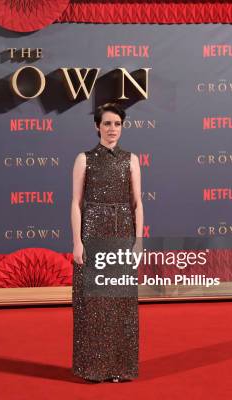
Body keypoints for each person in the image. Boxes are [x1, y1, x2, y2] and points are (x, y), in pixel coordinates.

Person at [70, 102, 143, 382]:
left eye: (117, 124)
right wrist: (77, 242)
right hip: (93, 234)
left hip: (123, 235)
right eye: (107, 123)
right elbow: (76, 203)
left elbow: (137, 203)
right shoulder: (84, 159)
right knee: (95, 304)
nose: (113, 129)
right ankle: (93, 368)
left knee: (121, 304)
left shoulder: (131, 159)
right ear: (97, 127)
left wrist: (138, 241)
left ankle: (121, 368)